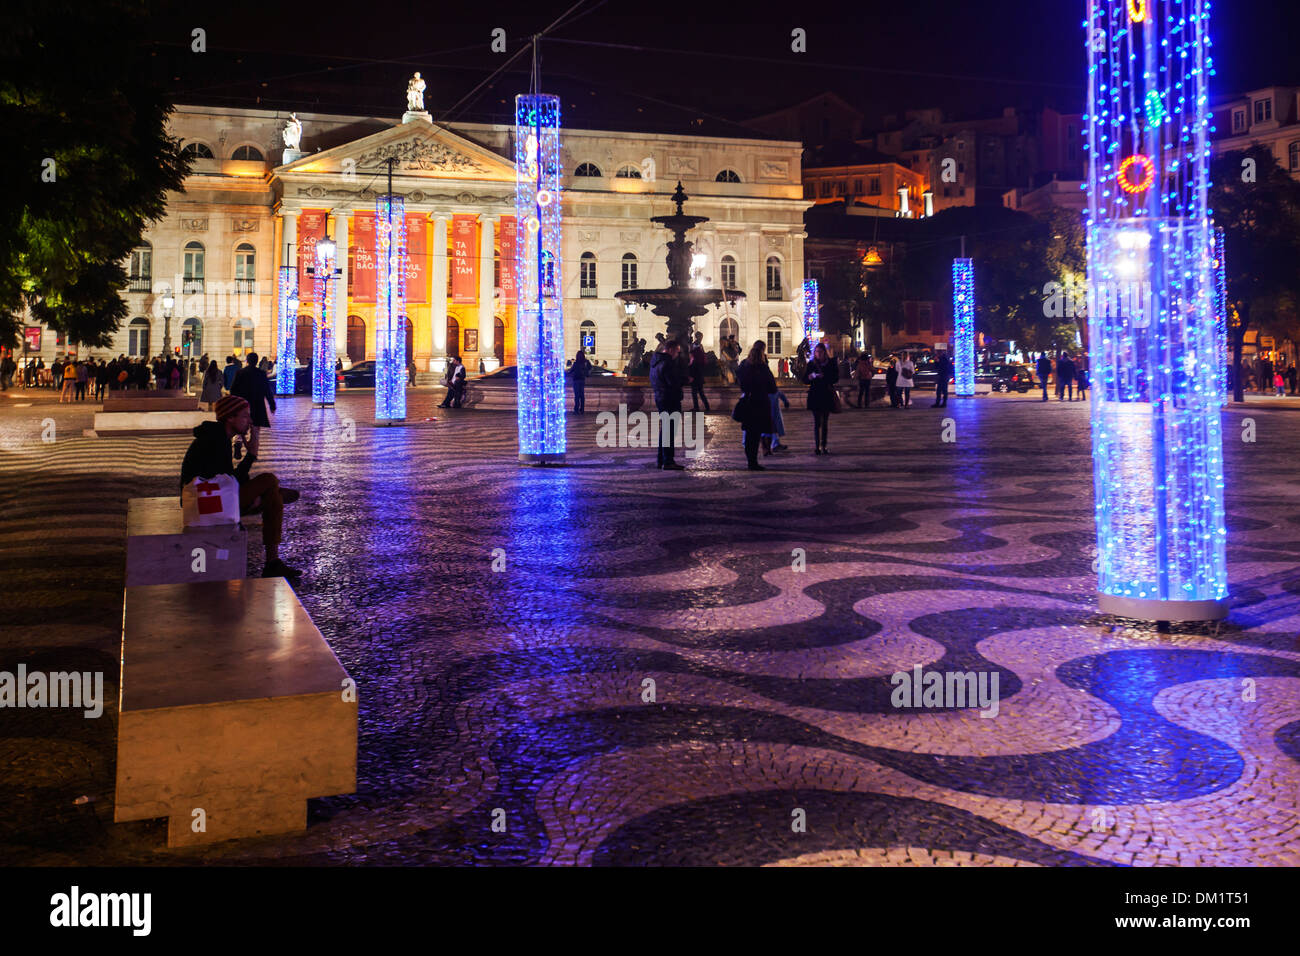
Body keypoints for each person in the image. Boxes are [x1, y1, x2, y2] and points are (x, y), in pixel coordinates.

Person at [180, 395, 301, 579]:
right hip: (204, 504)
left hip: (212, 499)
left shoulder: (219, 436)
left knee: (272, 495)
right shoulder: (216, 440)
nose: (250, 421)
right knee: (269, 481)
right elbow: (229, 481)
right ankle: (272, 562)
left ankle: (273, 562)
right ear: (230, 417)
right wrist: (251, 455)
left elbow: (226, 481)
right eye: (245, 416)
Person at [736, 340, 776, 470]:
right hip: (760, 403)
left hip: (748, 402)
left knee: (749, 434)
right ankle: (753, 462)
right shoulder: (763, 369)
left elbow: (740, 382)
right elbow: (773, 388)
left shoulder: (743, 367)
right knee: (757, 433)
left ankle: (750, 461)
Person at [229, 352, 277, 459]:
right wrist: (272, 404)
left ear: (247, 360)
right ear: (256, 361)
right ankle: (252, 453)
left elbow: (233, 389)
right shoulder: (261, 374)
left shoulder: (240, 373)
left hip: (242, 405)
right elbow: (267, 390)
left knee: (239, 426)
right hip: (257, 406)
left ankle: (238, 442)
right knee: (255, 431)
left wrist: (234, 403)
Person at [804, 341, 840, 453]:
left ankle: (824, 445)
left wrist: (825, 376)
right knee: (816, 422)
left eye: (820, 352)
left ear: (825, 353)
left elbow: (835, 378)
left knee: (824, 422)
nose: (818, 354)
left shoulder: (831, 364)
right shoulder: (811, 364)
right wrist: (810, 377)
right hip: (815, 395)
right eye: (816, 352)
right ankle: (817, 446)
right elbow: (804, 379)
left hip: (826, 395)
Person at [762, 387, 791, 455]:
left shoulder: (764, 390)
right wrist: (786, 402)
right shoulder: (774, 390)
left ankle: (771, 446)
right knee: (771, 429)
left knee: (770, 430)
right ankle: (772, 446)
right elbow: (781, 395)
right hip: (771, 413)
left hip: (768, 412)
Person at [688, 343, 710, 412]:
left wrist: (689, 366)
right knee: (701, 393)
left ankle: (696, 407)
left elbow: (693, 370)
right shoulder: (700, 360)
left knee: (694, 394)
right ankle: (707, 407)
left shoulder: (694, 361)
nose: (690, 355)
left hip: (695, 380)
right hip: (699, 379)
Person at [570, 348, 591, 413]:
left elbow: (571, 371)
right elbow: (590, 367)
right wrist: (586, 372)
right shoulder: (586, 362)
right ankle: (582, 409)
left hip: (576, 379)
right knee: (582, 395)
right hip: (582, 379)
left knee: (577, 395)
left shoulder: (576, 363)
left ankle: (576, 409)